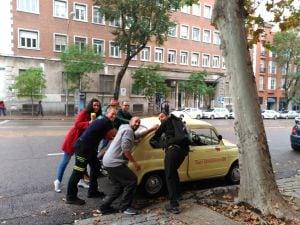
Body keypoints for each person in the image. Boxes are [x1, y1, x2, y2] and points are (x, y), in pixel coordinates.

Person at [99, 117, 158, 215]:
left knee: (118, 186)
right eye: (136, 121)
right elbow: (126, 150)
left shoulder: (124, 127)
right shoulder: (128, 131)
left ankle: (104, 207)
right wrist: (135, 163)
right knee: (131, 181)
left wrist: (151, 129)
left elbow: (137, 135)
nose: (137, 124)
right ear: (130, 121)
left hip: (108, 161)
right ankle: (125, 207)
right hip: (114, 163)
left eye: (139, 122)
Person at [66, 107, 117, 205]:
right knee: (78, 172)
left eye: (115, 114)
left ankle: (93, 191)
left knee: (96, 166)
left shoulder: (102, 119)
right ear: (107, 113)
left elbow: (105, 133)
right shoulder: (106, 121)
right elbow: (116, 134)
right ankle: (71, 197)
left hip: (90, 149)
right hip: (83, 149)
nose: (114, 116)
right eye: (112, 114)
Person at [54, 98, 102, 193]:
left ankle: (80, 181)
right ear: (91, 105)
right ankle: (57, 181)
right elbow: (77, 124)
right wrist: (88, 123)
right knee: (65, 160)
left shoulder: (97, 116)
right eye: (94, 105)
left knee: (81, 162)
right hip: (74, 138)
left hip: (83, 142)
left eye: (98, 105)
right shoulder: (85, 112)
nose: (96, 107)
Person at [151, 112, 189, 214]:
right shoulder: (178, 121)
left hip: (172, 151)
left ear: (167, 116)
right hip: (183, 152)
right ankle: (178, 195)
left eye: (162, 116)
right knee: (173, 171)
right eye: (159, 118)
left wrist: (164, 144)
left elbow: (154, 138)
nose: (160, 119)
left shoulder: (165, 123)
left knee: (169, 176)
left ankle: (174, 205)